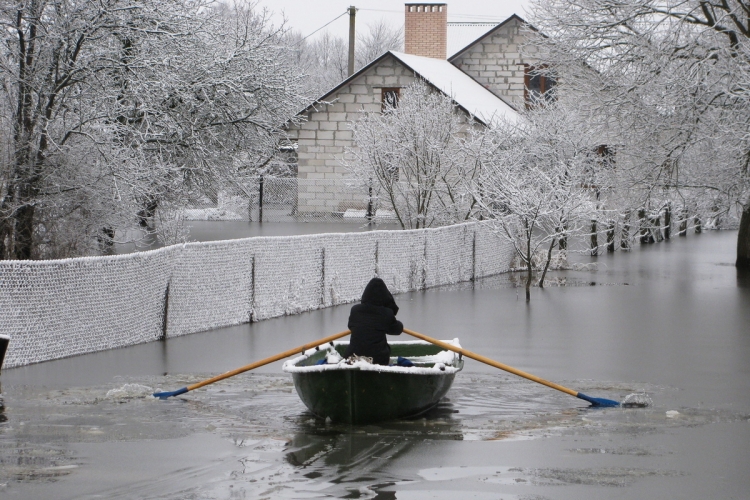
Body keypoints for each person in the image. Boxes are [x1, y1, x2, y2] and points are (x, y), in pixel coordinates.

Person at [344, 277, 403, 366]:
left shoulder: (355, 310)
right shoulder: (386, 313)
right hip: (377, 360)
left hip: (352, 358)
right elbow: (397, 330)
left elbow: (350, 326)